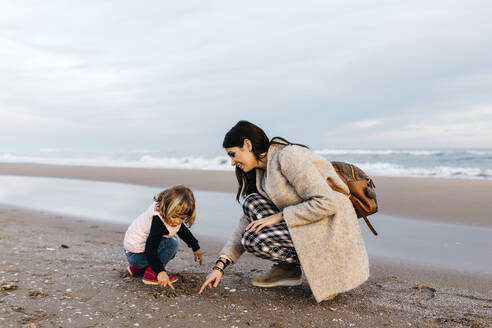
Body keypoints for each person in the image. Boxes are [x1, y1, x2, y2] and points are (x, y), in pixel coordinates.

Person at [199, 121, 369, 302]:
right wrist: (220, 266)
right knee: (251, 204)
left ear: (247, 145)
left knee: (254, 239)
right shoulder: (261, 174)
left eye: (233, 154)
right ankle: (288, 270)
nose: (232, 162)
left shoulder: (288, 156)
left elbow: (327, 202)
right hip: (309, 225)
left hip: (332, 228)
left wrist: (280, 216)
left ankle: (328, 272)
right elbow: (246, 222)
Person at [124, 185, 203, 290]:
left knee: (170, 239)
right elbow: (150, 248)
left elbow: (182, 230)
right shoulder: (158, 221)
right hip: (136, 256)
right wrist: (160, 271)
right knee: (173, 243)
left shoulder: (167, 213)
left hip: (133, 254)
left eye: (182, 218)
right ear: (166, 208)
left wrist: (195, 247)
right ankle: (151, 274)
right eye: (174, 216)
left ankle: (138, 269)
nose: (177, 221)